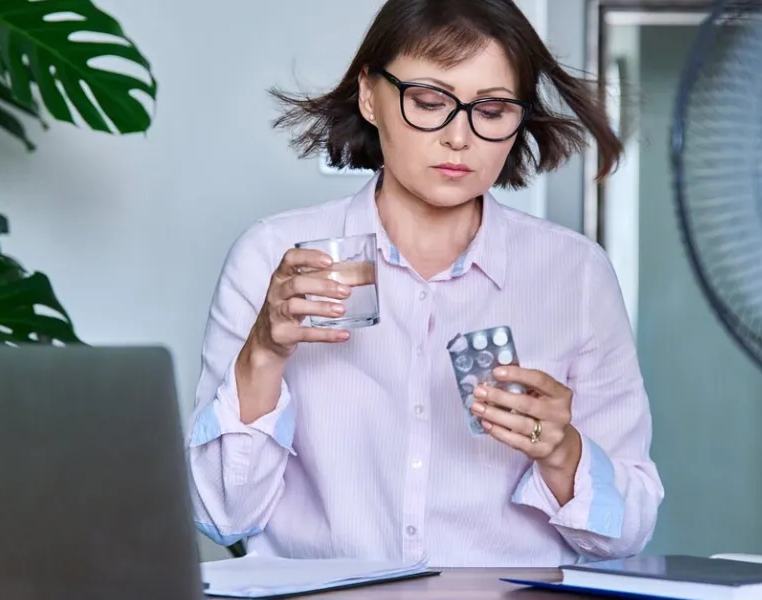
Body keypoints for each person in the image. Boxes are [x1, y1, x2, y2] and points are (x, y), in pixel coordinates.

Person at [186, 0, 663, 568]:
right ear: (370, 95)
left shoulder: (575, 275)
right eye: (430, 102)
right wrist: (263, 351)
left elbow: (628, 531)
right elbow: (222, 516)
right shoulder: (273, 257)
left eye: (491, 110)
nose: (459, 137)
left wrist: (563, 453)